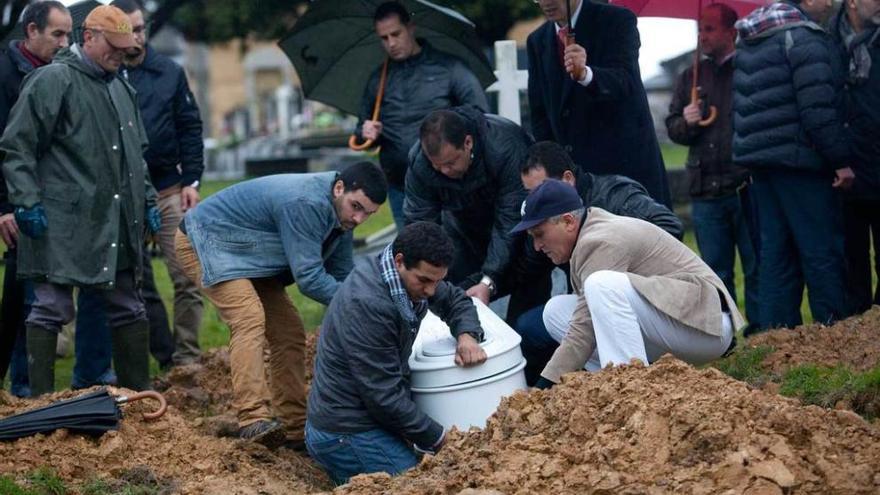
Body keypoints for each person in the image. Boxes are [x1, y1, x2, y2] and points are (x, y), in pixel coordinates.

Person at [0, 5, 158, 396]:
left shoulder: (122, 89)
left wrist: (149, 200)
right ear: (87, 37)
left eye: (125, 49)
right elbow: (17, 147)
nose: (121, 55)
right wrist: (25, 201)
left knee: (128, 306)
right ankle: (40, 404)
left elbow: (136, 156)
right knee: (50, 308)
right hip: (60, 221)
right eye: (113, 47)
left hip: (114, 219)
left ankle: (138, 399)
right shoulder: (52, 80)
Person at [176, 162, 387, 448]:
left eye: (368, 214)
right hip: (205, 240)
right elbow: (310, 278)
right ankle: (253, 419)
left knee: (289, 332)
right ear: (339, 188)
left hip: (250, 253)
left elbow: (343, 274)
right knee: (248, 317)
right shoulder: (306, 202)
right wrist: (362, 306)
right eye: (356, 207)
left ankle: (295, 429)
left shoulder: (342, 214)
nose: (360, 218)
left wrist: (372, 300)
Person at [73, 0, 206, 387]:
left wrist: (192, 181)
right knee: (134, 282)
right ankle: (159, 355)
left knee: (186, 276)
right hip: (119, 196)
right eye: (127, 30)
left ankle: (187, 357)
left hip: (167, 188)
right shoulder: (104, 75)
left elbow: (190, 127)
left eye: (140, 28)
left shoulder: (168, 72)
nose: (135, 38)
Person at [509, 180, 744, 389]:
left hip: (708, 326)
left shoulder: (599, 240)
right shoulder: (589, 231)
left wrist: (541, 389)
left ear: (569, 221)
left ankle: (629, 390)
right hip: (680, 323)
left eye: (539, 234)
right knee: (555, 311)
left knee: (600, 285)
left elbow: (584, 328)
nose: (537, 246)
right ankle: (607, 384)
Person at [306, 221, 486, 485]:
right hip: (344, 431)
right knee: (420, 486)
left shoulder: (405, 276)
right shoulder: (368, 304)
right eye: (424, 280)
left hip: (369, 415)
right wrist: (440, 439)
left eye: (438, 281)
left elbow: (455, 300)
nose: (430, 291)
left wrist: (467, 335)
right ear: (400, 261)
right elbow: (383, 395)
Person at [514, 141, 683, 384]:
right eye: (528, 194)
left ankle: (632, 383)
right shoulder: (546, 224)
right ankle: (597, 385)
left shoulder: (615, 196)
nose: (534, 201)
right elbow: (526, 267)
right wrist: (489, 283)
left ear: (568, 179)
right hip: (594, 305)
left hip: (654, 305)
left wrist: (617, 260)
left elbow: (671, 227)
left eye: (540, 190)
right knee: (535, 322)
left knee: (600, 287)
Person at [733, 0, 855, 330]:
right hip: (802, 164)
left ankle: (776, 343)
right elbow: (818, 112)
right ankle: (834, 338)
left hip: (762, 166)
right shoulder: (805, 38)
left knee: (775, 257)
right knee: (820, 253)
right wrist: (842, 161)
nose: (831, 3)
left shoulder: (751, 39)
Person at [666, 3, 760, 333]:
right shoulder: (690, 76)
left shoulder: (749, 69)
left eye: (709, 29)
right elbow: (673, 127)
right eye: (699, 29)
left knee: (755, 266)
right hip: (705, 189)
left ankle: (762, 333)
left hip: (744, 185)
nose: (702, 36)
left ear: (731, 32)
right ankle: (724, 335)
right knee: (714, 271)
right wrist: (687, 122)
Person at [355, 1, 488, 229]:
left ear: (411, 27)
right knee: (413, 257)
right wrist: (365, 132)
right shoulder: (378, 79)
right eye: (384, 38)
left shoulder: (449, 67)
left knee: (455, 252)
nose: (391, 43)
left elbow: (479, 114)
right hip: (401, 187)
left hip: (447, 185)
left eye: (396, 34)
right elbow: (361, 133)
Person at [405, 106, 543, 322]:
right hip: (463, 228)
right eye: (437, 166)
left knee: (526, 313)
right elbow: (420, 223)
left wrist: (489, 279)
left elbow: (510, 218)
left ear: (468, 143)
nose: (444, 172)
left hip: (522, 232)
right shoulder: (420, 163)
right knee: (455, 298)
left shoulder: (506, 147)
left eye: (450, 163)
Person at [527, 0, 671, 206]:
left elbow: (625, 81)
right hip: (576, 177)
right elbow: (540, 112)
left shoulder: (617, 20)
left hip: (625, 169)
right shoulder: (537, 41)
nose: (546, 2)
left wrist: (586, 74)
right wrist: (551, 166)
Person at [0, 0, 71, 397]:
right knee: (23, 298)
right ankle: (25, 388)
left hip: (51, 201)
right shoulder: (4, 74)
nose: (64, 43)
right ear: (31, 31)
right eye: (56, 34)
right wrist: (4, 208)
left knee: (26, 295)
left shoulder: (58, 74)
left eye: (67, 35)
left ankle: (22, 385)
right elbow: (6, 148)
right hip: (16, 202)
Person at [829, 0, 880, 316]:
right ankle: (857, 325)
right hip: (842, 166)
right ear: (852, 2)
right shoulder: (827, 42)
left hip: (877, 159)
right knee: (851, 254)